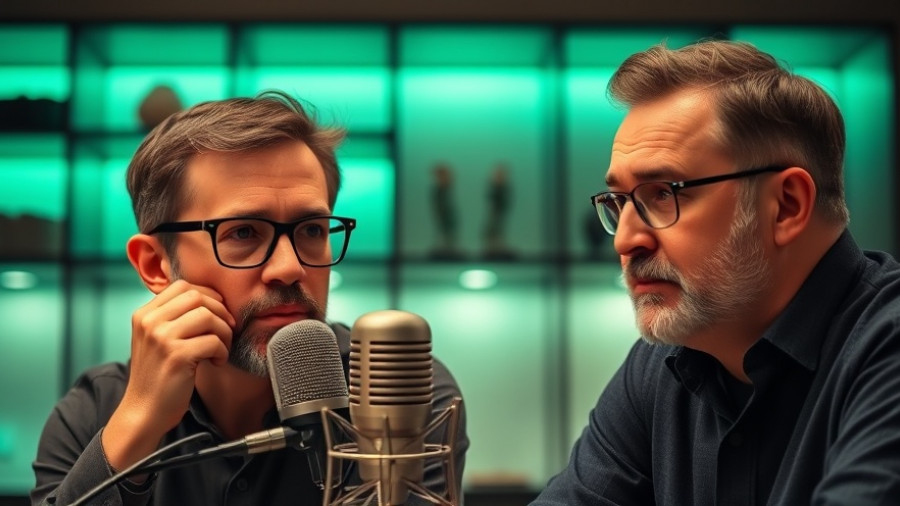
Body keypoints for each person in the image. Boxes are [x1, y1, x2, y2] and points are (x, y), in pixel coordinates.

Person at [31, 91, 468, 505]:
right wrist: (138, 424)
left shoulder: (396, 387)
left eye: (312, 230)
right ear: (155, 265)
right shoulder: (93, 414)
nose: (289, 268)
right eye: (243, 233)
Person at [531, 39, 900, 505]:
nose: (625, 240)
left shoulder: (886, 348)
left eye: (662, 193)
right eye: (620, 202)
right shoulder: (662, 364)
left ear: (786, 206)